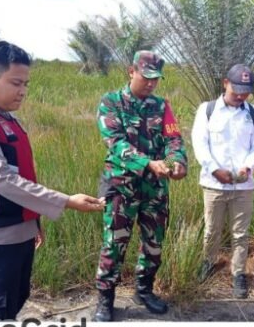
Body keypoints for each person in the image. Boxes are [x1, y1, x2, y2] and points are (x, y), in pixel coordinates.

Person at [0, 41, 103, 321]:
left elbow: (23, 173)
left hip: (20, 233)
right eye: (16, 83)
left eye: (26, 83)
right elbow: (3, 180)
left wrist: (32, 222)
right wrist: (66, 201)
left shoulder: (6, 118)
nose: (23, 91)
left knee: (15, 303)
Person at [92, 51, 187, 322]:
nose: (151, 84)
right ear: (131, 71)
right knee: (114, 244)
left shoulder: (162, 106)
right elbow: (116, 142)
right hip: (122, 187)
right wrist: (148, 163)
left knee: (153, 244)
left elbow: (174, 139)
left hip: (155, 190)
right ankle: (105, 299)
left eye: (156, 79)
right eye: (146, 77)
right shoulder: (111, 102)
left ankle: (144, 290)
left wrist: (178, 163)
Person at [191, 64, 254, 298]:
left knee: (240, 233)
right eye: (237, 90)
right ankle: (209, 262)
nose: (241, 95)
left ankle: (238, 273)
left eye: (246, 91)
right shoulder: (207, 110)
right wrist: (215, 170)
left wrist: (249, 166)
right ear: (225, 83)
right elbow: (200, 143)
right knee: (212, 230)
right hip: (213, 184)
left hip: (243, 186)